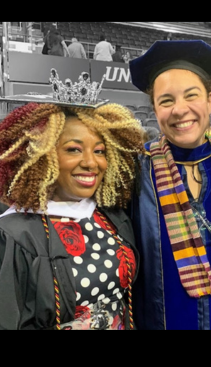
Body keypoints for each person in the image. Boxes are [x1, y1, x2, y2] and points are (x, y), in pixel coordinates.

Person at [0, 70, 145, 330]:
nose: (91, 163)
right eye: (73, 149)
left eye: (99, 151)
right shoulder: (15, 234)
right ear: (44, 156)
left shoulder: (112, 218)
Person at [129, 39, 211, 330]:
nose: (179, 110)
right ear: (155, 109)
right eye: (166, 100)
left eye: (191, 96)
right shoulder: (135, 171)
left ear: (209, 100)